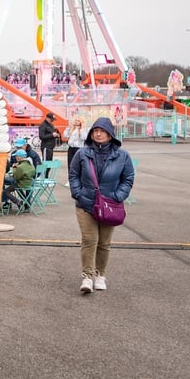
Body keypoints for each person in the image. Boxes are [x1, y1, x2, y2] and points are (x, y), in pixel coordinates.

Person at [68, 116, 134, 294]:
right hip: (86, 203)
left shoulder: (122, 155)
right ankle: (87, 276)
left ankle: (100, 275)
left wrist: (117, 196)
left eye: (102, 131)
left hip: (110, 204)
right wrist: (78, 194)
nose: (98, 134)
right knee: (90, 240)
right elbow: (73, 175)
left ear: (110, 134)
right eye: (95, 131)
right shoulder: (82, 153)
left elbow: (127, 179)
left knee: (104, 243)